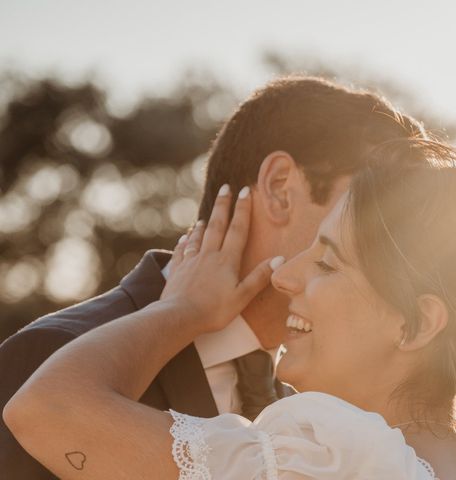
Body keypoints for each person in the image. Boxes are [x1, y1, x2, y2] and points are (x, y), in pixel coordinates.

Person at [4, 138, 456, 479]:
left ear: (416, 323)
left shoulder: (336, 453)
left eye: (327, 264)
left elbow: (44, 410)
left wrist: (182, 308)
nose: (286, 273)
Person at [0, 77, 426, 478]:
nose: (392, 242)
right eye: (370, 209)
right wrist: (178, 313)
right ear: (280, 187)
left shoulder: (315, 399)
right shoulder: (49, 356)